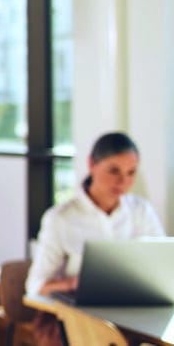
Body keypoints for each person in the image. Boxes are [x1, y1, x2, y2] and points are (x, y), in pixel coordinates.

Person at [25, 131, 165, 345]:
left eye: (131, 173)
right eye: (114, 170)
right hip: (78, 320)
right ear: (91, 164)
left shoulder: (141, 211)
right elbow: (36, 285)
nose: (123, 181)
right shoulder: (61, 219)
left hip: (135, 313)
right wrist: (73, 283)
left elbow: (162, 264)